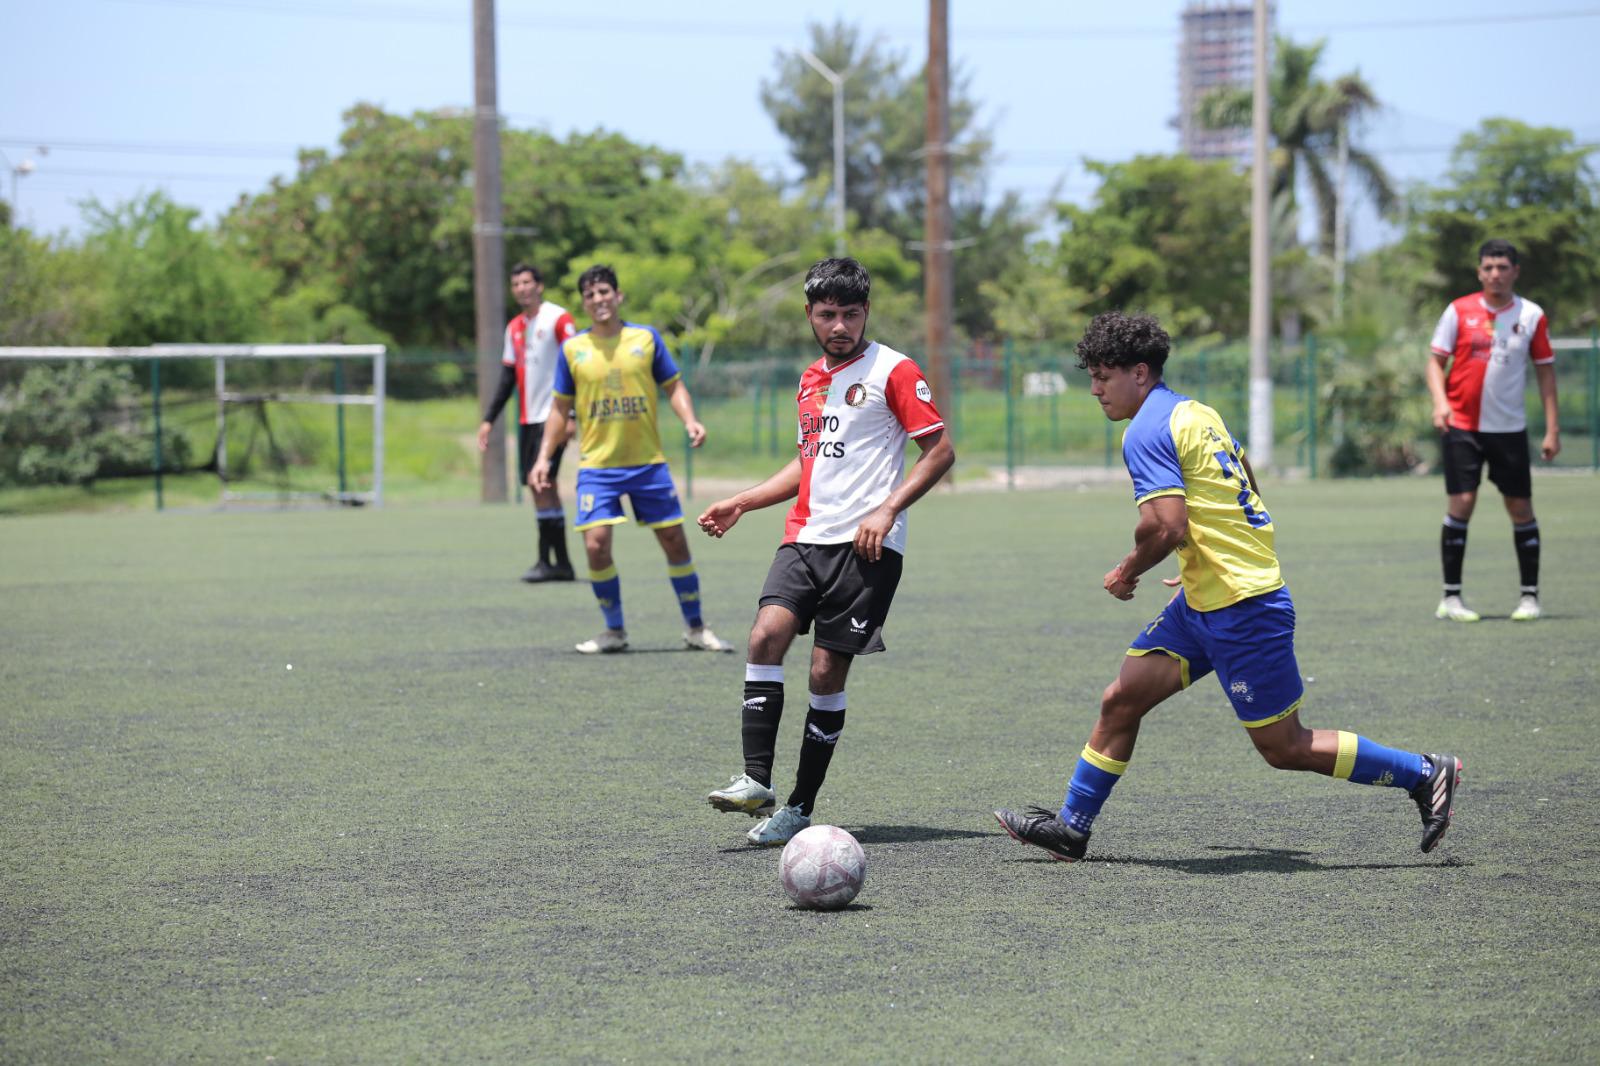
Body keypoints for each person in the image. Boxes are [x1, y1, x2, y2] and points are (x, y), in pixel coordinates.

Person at [993, 311, 1461, 863]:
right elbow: (1245, 484)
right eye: (1091, 375)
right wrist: (1201, 561)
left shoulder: (1145, 430)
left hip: (1244, 607)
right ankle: (1072, 829)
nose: (1095, 389)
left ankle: (1425, 772)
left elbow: (1166, 525)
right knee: (1121, 699)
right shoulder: (1195, 412)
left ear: (1140, 373)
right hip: (1204, 600)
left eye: (1104, 376)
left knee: (1284, 747)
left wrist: (1128, 571)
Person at [697, 257, 955, 847]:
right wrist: (744, 500)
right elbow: (807, 461)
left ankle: (799, 806)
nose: (839, 325)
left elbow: (939, 452)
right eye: (827, 314)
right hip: (804, 535)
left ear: (865, 313)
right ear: (810, 315)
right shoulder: (810, 378)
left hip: (869, 548)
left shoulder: (894, 370)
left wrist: (887, 509)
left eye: (851, 314)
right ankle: (754, 780)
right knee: (765, 635)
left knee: (823, 672)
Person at [531, 264, 734, 655]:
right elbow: (559, 410)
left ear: (618, 296)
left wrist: (690, 420)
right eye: (590, 295)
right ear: (585, 303)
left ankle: (695, 627)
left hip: (647, 464)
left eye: (604, 291)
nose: (598, 299)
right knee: (595, 546)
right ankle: (614, 630)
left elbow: (673, 386)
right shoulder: (573, 349)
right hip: (597, 466)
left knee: (674, 541)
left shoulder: (646, 338)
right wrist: (544, 457)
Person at [1426, 238, 1559, 623]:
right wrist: (1441, 402)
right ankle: (1450, 599)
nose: (1495, 274)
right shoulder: (1459, 310)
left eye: (1503, 267)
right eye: (1488, 267)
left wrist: (1552, 430)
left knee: (1519, 507)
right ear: (1479, 271)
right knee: (1462, 502)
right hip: (1463, 426)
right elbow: (1435, 362)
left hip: (1509, 429)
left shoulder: (1532, 315)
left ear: (1515, 271)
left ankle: (1529, 598)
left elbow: (1546, 373)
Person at [477, 262, 579, 583]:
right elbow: (508, 377)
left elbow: (576, 364)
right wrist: (488, 419)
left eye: (526, 282)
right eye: (516, 283)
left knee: (544, 484)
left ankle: (553, 560)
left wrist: (572, 414)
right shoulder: (514, 328)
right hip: (527, 419)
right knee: (538, 489)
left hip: (554, 416)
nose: (522, 288)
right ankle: (554, 562)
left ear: (539, 285)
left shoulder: (558, 319)